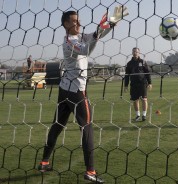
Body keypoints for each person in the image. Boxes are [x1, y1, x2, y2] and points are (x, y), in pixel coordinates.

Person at [37, 7, 128, 183]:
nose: (77, 22)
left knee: (57, 126)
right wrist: (97, 34)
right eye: (73, 21)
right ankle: (90, 172)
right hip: (76, 91)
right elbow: (86, 50)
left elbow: (97, 34)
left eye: (78, 20)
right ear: (65, 24)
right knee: (87, 128)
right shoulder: (69, 42)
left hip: (64, 89)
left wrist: (111, 22)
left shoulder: (79, 36)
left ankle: (44, 162)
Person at [124, 47, 152, 122]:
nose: (135, 53)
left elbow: (147, 73)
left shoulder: (143, 62)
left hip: (142, 83)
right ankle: (138, 115)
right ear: (132, 53)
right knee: (135, 100)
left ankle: (144, 115)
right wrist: (126, 85)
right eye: (133, 51)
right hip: (133, 84)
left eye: (136, 52)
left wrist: (150, 83)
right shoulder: (129, 64)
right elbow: (127, 75)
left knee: (144, 99)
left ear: (139, 53)